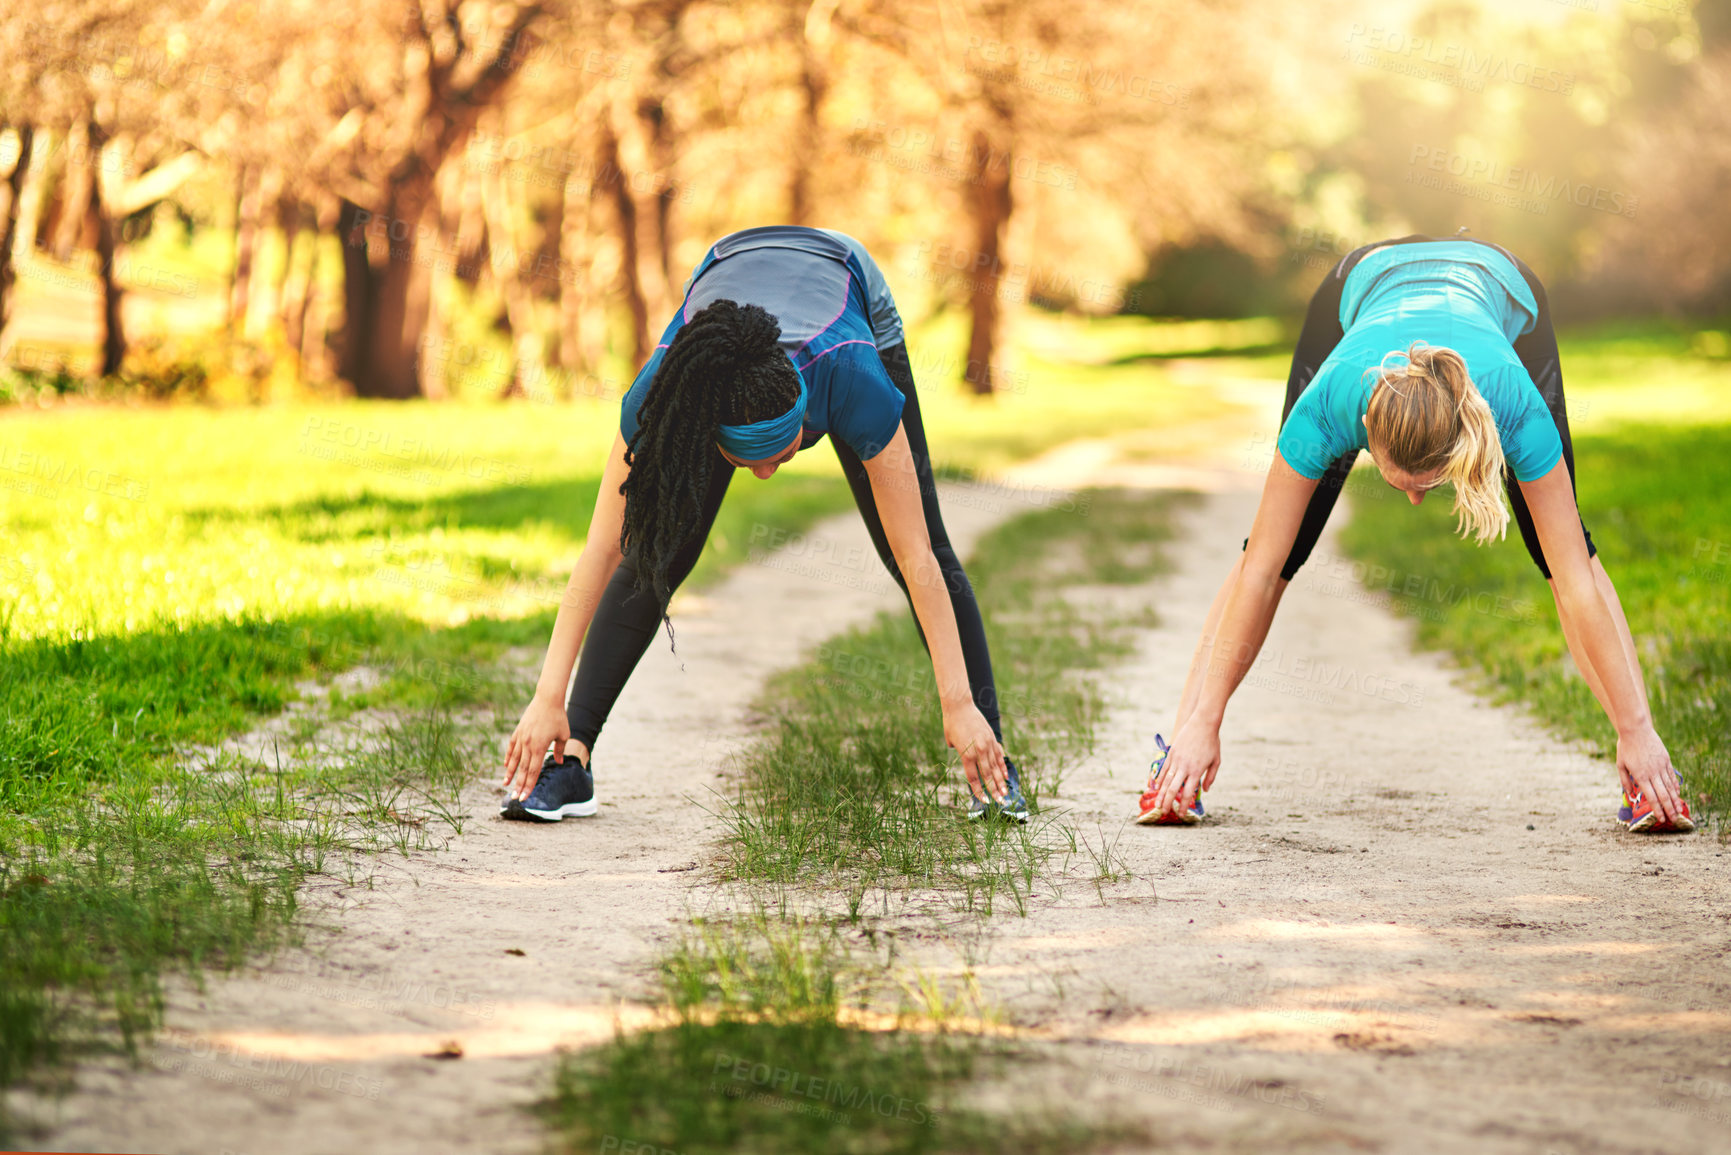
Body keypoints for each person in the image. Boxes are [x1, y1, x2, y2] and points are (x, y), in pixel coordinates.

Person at [1136, 234, 1693, 834]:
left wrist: (1635, 731)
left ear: (1464, 442)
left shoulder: (1511, 401)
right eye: (1398, 480)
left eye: (1432, 481)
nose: (1415, 498)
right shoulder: (1329, 404)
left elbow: (1578, 582)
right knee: (1277, 554)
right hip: (1360, 282)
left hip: (1499, 278)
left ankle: (1646, 764)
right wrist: (1207, 720)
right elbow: (1260, 569)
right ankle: (1181, 755)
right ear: (1363, 433)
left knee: (1564, 556)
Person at [500, 225, 1029, 823]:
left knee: (913, 539)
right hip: (727, 264)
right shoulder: (665, 393)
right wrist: (548, 697)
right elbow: (603, 549)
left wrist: (957, 702)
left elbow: (919, 559)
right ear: (709, 434)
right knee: (655, 548)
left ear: (808, 415)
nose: (767, 476)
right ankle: (572, 761)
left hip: (847, 279)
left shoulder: (854, 380)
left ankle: (994, 763)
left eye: (784, 454)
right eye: (749, 462)